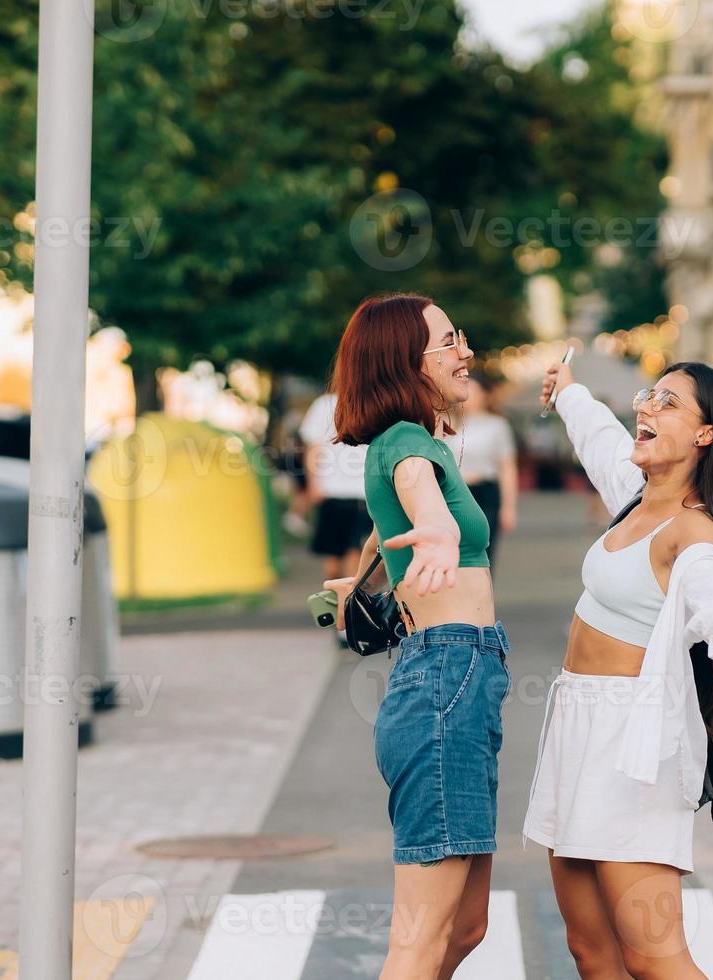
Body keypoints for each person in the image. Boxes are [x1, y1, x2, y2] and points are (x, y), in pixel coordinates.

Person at [525, 357, 713, 980]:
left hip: (634, 749)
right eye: (649, 397)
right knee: (591, 953)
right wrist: (568, 393)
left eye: (668, 403)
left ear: (706, 434)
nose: (646, 408)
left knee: (656, 960)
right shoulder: (633, 500)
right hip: (575, 728)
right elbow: (599, 438)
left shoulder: (691, 530)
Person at [324, 293, 508, 980]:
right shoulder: (405, 445)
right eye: (446, 342)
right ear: (406, 363)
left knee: (463, 927)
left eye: (460, 335)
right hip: (444, 681)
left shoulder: (417, 444)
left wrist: (365, 582)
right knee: (420, 939)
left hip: (461, 679)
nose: (464, 351)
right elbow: (420, 501)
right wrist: (438, 529)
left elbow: (384, 525)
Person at [442, 374, 518, 568]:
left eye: (474, 391)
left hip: (485, 492)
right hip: (454, 493)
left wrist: (509, 507)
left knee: (483, 553)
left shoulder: (497, 425)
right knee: (452, 552)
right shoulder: (446, 423)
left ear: (485, 395)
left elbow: (507, 467)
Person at [300, 390, 371, 585]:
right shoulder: (325, 405)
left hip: (361, 493)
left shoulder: (370, 400)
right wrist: (314, 483)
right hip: (332, 492)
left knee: (354, 558)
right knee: (334, 564)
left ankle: (346, 610)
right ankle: (339, 606)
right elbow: (314, 448)